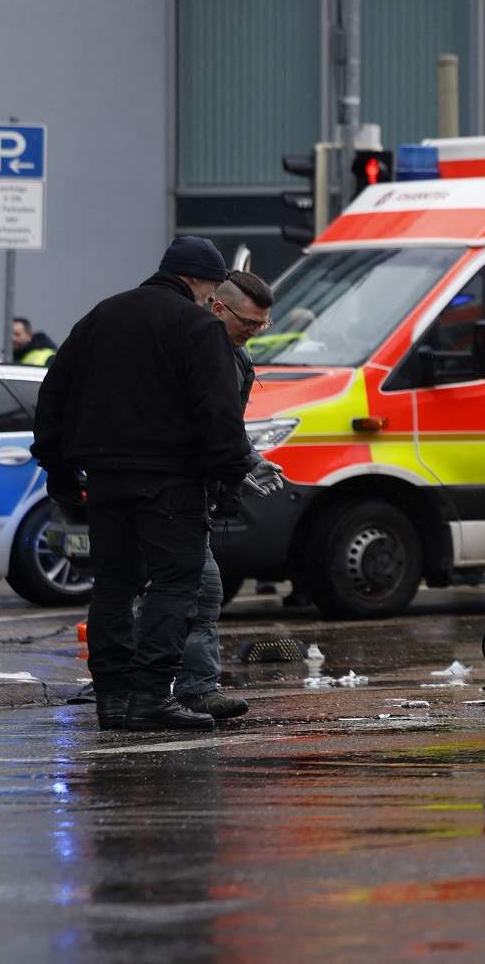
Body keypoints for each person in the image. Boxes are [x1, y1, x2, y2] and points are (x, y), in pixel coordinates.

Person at [32, 237, 256, 732]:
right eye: (210, 289)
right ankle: (151, 695)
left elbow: (54, 392)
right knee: (176, 583)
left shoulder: (101, 317)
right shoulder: (198, 327)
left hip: (106, 479)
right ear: (200, 282)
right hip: (170, 481)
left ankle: (113, 699)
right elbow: (217, 413)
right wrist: (228, 478)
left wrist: (58, 467)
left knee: (113, 585)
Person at [175, 270, 281, 721]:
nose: (255, 333)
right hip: (170, 490)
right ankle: (189, 690)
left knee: (177, 591)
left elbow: (224, 428)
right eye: (249, 323)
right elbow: (207, 426)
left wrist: (242, 463)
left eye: (263, 325)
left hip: (185, 490)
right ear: (218, 307)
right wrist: (243, 463)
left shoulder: (232, 357)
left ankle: (148, 687)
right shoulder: (200, 353)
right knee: (198, 589)